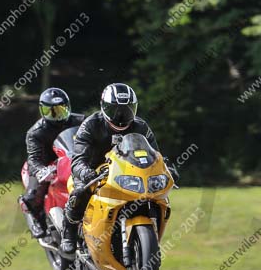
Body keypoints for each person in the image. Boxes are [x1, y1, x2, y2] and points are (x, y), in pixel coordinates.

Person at [60, 83, 177, 256]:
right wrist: (86, 173)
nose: (121, 116)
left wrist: (167, 169)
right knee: (79, 193)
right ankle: (68, 233)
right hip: (93, 170)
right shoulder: (90, 125)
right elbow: (77, 160)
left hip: (125, 171)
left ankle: (148, 243)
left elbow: (156, 156)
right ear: (104, 107)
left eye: (127, 110)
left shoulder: (141, 127)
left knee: (157, 196)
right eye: (115, 109)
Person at [20, 88, 85, 238]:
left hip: (73, 161)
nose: (55, 115)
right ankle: (36, 218)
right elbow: (33, 158)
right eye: (50, 111)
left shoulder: (82, 121)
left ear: (68, 107)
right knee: (33, 195)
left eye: (60, 110)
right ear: (42, 111)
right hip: (46, 166)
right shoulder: (35, 133)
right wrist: (41, 170)